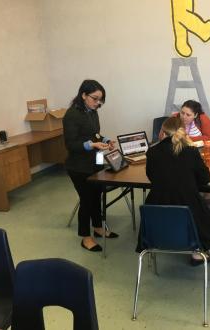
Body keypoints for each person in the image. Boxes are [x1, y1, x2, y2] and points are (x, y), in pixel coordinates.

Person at [136, 117, 210, 265]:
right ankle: (197, 253)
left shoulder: (152, 152)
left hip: (156, 209)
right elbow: (204, 178)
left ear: (162, 132)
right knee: (202, 212)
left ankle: (165, 242)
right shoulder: (191, 151)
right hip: (188, 207)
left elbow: (152, 177)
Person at [63, 79, 118, 252]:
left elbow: (95, 134)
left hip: (95, 162)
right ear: (83, 95)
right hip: (78, 166)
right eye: (95, 98)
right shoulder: (72, 115)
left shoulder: (92, 112)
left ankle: (98, 227)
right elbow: (71, 144)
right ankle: (86, 237)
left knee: (97, 196)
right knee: (87, 200)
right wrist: (91, 145)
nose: (98, 103)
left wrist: (105, 140)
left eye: (100, 99)